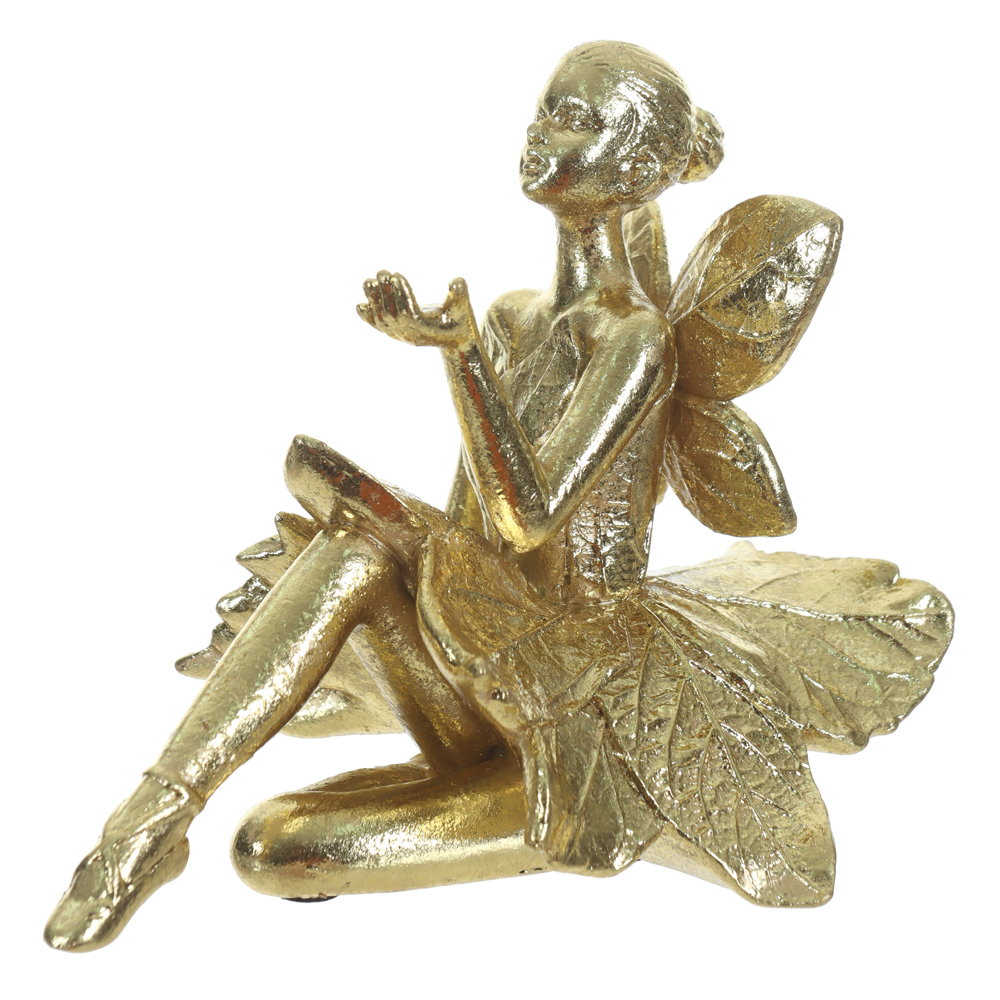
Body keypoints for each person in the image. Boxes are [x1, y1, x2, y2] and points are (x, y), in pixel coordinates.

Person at [45, 40, 952, 952]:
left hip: (578, 688)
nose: (540, 133)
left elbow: (531, 515)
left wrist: (460, 357)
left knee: (271, 847)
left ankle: (583, 801)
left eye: (576, 120)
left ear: (638, 167)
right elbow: (468, 535)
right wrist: (423, 438)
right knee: (354, 539)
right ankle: (147, 826)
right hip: (479, 655)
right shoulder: (517, 317)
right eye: (544, 109)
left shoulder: (636, 340)